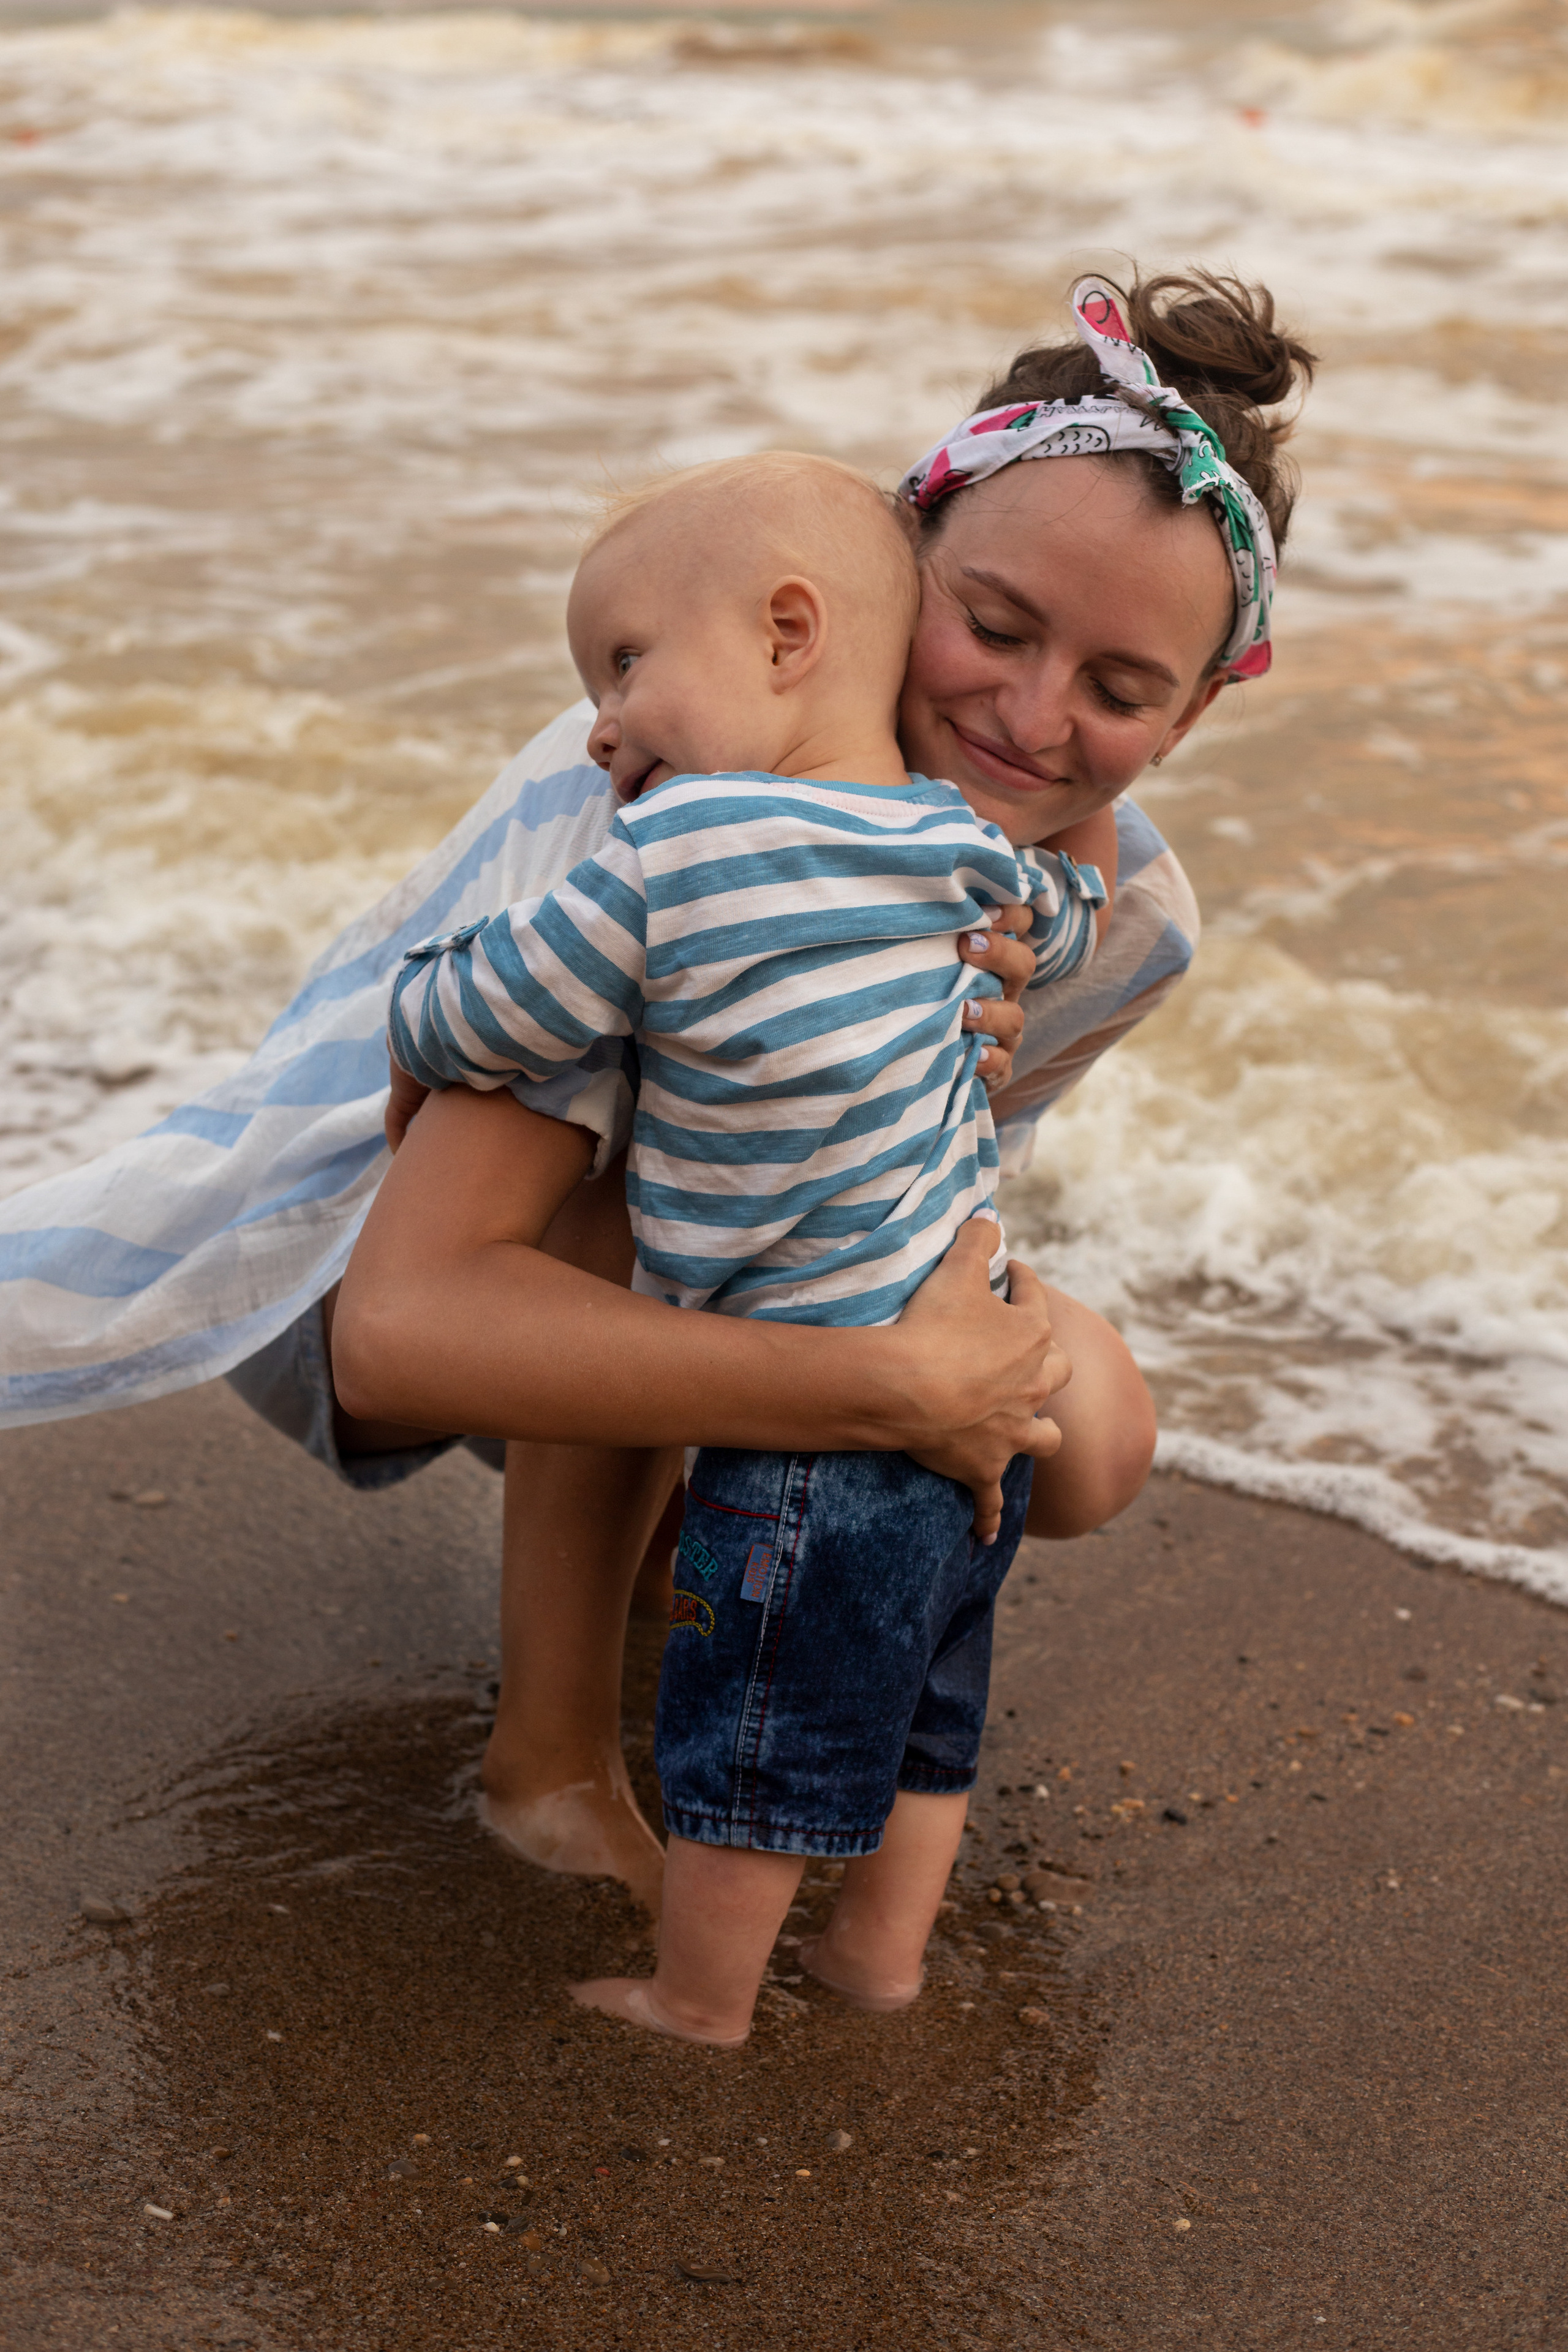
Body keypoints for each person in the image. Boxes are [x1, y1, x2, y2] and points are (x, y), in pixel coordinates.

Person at [0, 266, 1312, 1915]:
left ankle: (675, 1538)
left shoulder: (1114, 926)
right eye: (993, 627)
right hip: (377, 1277)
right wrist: (888, 1395)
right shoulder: (684, 786)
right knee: (663, 1187)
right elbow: (402, 1327)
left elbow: (908, 1198)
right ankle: (547, 1758)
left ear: (1190, 716)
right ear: (896, 557)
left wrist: (940, 1321)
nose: (1031, 715)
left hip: (714, 1274)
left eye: (1119, 692)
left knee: (1092, 1432)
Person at [364, 445, 1121, 2043]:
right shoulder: (956, 840)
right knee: (928, 1727)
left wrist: (418, 1010)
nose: (600, 724)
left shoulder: (676, 847)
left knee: (754, 1736)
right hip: (970, 1400)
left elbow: (481, 1008)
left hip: (801, 1421)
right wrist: (1038, 921)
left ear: (790, 633)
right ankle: (878, 1964)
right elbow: (1065, 909)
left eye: (625, 665)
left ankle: (700, 1998)